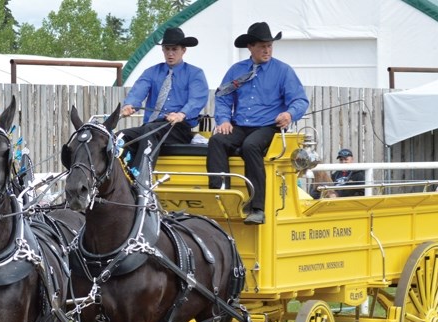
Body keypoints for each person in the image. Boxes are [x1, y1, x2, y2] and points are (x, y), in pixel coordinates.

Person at [207, 22, 309, 224]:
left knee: (251, 146)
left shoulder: (283, 71)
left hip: (268, 126)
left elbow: (300, 100)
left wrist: (289, 114)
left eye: (269, 45)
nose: (267, 50)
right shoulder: (236, 70)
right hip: (240, 125)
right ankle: (221, 195)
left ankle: (257, 207)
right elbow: (222, 97)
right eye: (262, 46)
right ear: (250, 47)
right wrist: (224, 119)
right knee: (217, 141)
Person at [119, 27, 208, 173]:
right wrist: (130, 105)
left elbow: (197, 100)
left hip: (178, 128)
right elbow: (139, 90)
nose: (170, 53)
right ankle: (122, 179)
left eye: (174, 49)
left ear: (183, 50)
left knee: (149, 131)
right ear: (163, 50)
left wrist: (181, 114)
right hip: (152, 126)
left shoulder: (195, 74)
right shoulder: (152, 72)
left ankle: (141, 179)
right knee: (121, 136)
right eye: (167, 49)